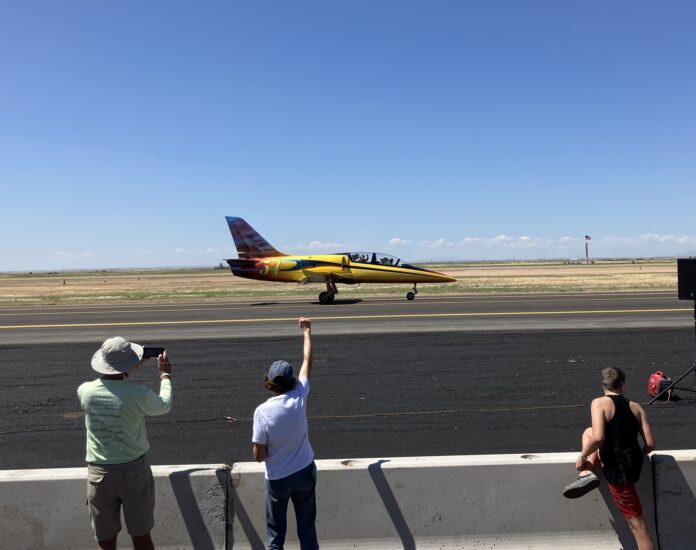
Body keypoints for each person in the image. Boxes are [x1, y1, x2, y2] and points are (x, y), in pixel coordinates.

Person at [78, 337, 173, 550]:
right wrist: (165, 375)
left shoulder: (85, 391)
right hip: (133, 471)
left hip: (99, 474)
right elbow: (165, 405)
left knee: (105, 541)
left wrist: (127, 367)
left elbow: (112, 383)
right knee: (141, 537)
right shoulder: (139, 394)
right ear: (129, 363)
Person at [562, 367, 655, 550]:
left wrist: (582, 455)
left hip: (618, 472)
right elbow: (650, 444)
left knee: (638, 526)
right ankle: (587, 473)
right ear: (623, 385)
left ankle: (586, 472)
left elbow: (598, 438)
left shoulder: (599, 403)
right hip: (633, 465)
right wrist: (638, 455)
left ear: (604, 385)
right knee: (588, 432)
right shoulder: (636, 407)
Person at [252, 317, 319, 550]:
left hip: (278, 478)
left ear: (269, 383)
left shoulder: (262, 412)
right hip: (304, 471)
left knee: (275, 535)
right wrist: (306, 330)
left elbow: (258, 456)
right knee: (307, 530)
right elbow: (307, 359)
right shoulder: (300, 394)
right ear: (291, 380)